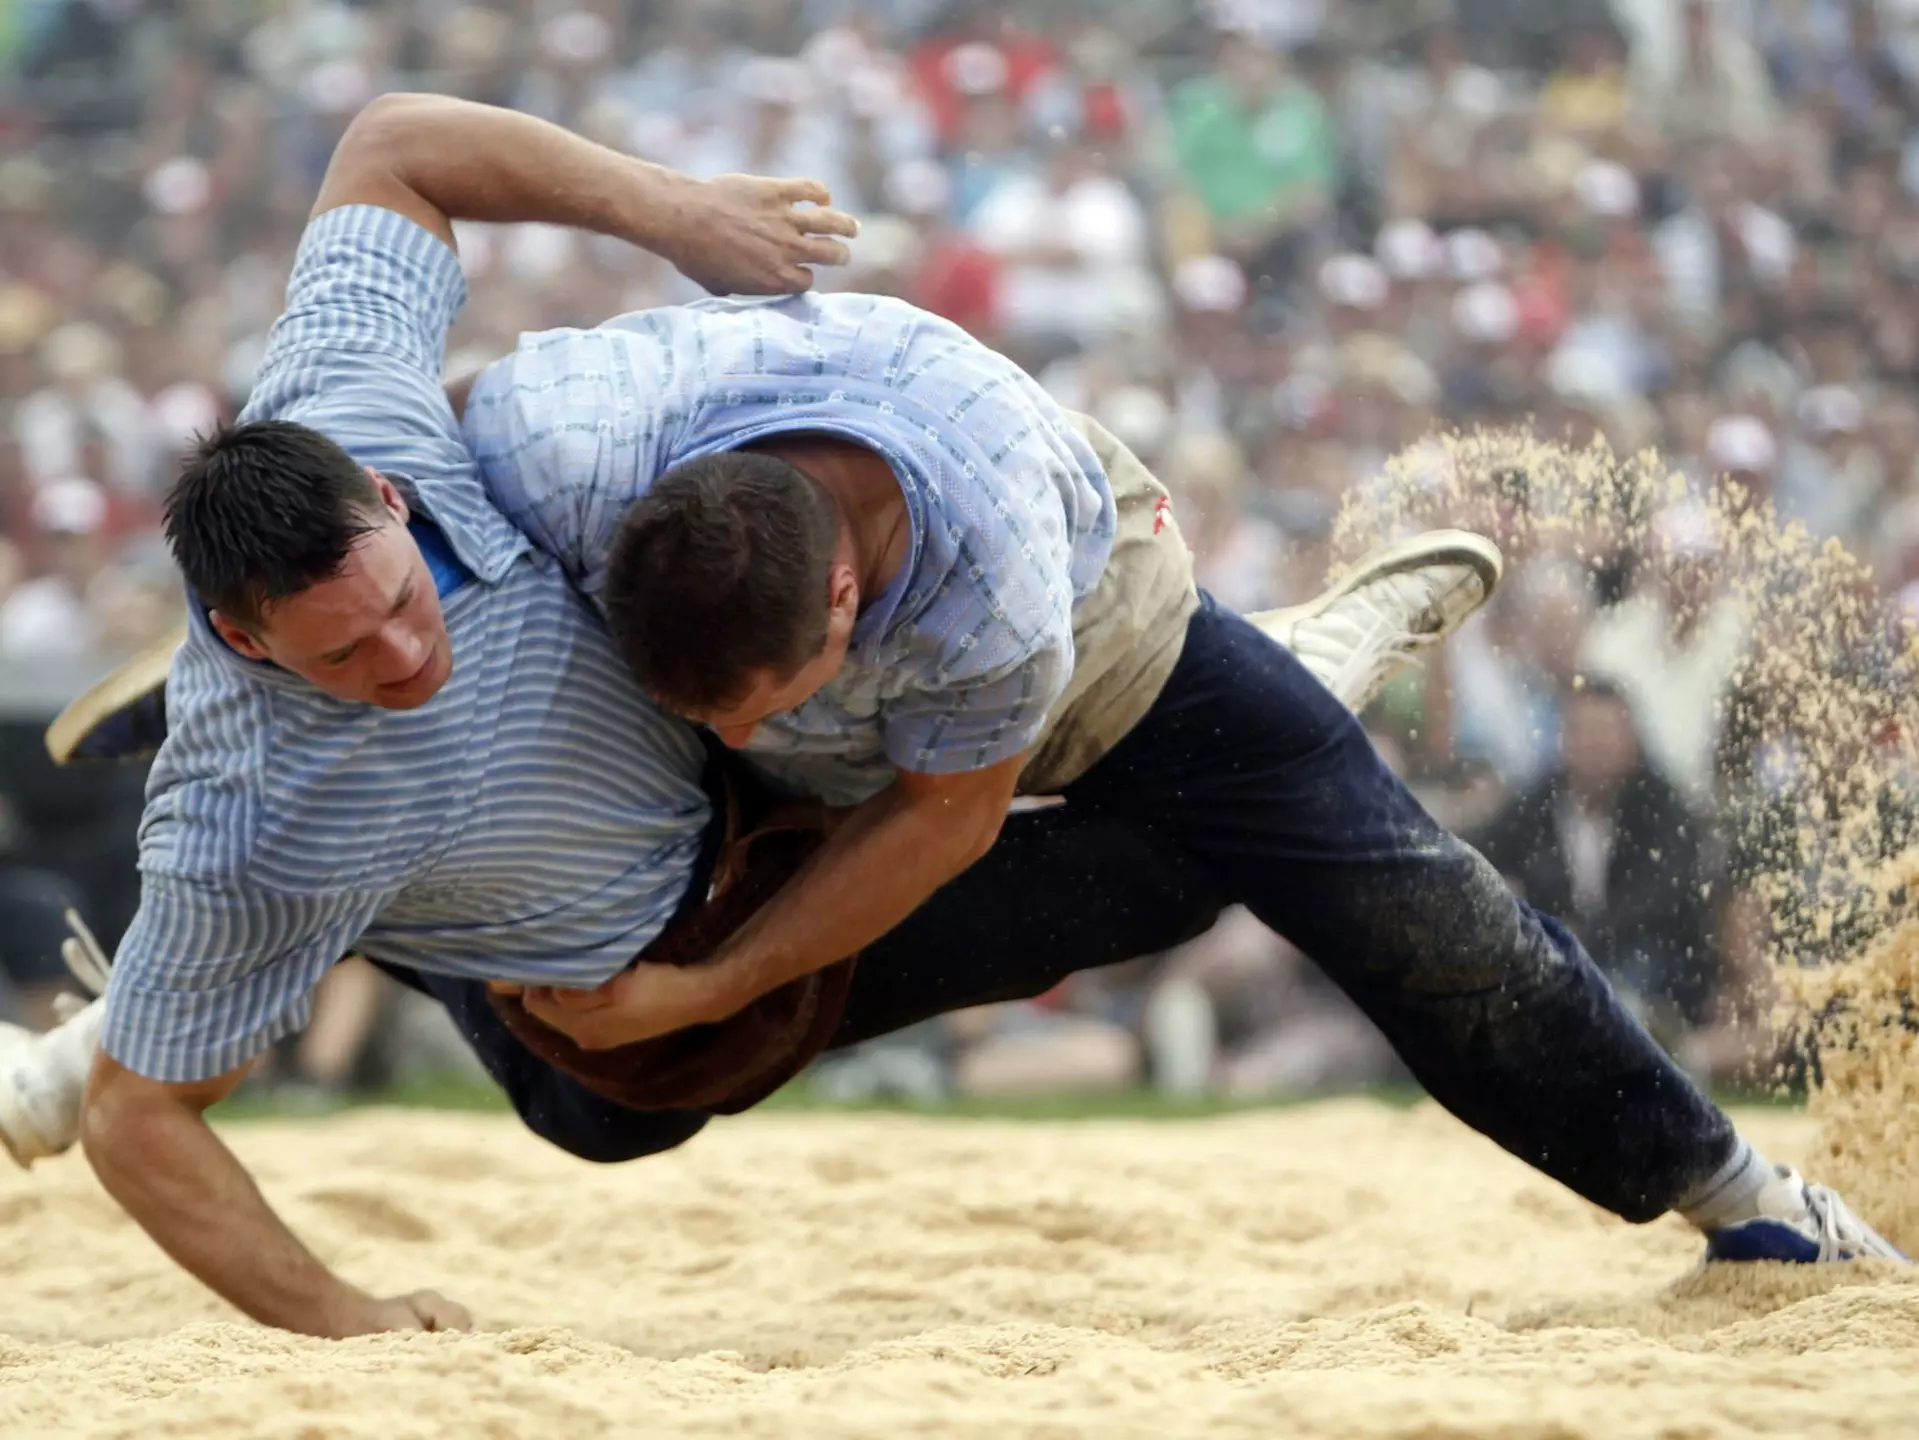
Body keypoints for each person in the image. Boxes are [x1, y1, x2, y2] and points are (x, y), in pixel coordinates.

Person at [0, 93, 1498, 1340]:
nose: (411, 650)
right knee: (582, 1097)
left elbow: (392, 142)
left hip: (722, 743)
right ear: (253, 633)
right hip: (636, 975)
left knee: (1174, 826)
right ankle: (169, 974)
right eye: (348, 652)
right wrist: (351, 1319)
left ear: (383, 494)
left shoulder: (351, 406)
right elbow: (149, 1127)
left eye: (401, 599)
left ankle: (1287, 662)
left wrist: (676, 212)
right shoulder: (265, 816)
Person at [448, 209, 1904, 1271]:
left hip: (1106, 652)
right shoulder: (568, 438)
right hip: (839, 718)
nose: (738, 735)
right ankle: (416, 922)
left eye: (757, 699)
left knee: (1407, 910)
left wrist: (718, 977)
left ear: (845, 592)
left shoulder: (993, 576)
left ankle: (1738, 1191)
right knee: (606, 1103)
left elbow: (943, 824)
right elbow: (397, 456)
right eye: (718, 714)